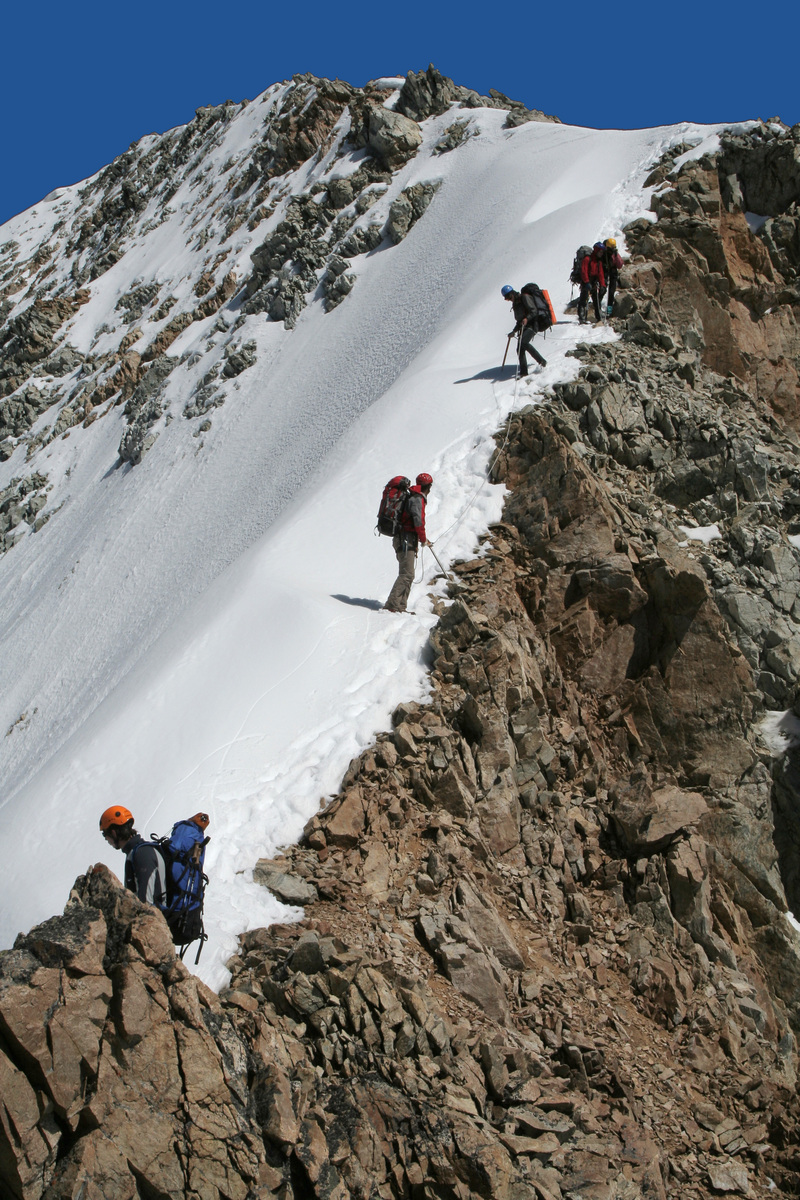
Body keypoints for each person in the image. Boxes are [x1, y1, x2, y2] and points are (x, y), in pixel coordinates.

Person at [99, 805, 167, 906]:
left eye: (105, 834)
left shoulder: (142, 854)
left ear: (114, 832)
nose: (106, 839)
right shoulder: (135, 852)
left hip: (158, 919)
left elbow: (146, 903)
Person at [384, 473, 432, 613]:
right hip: (405, 539)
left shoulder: (412, 496)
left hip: (403, 539)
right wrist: (423, 539)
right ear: (427, 486)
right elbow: (419, 521)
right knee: (407, 574)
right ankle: (392, 605)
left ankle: (400, 606)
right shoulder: (417, 499)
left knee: (408, 574)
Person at [501, 284, 547, 377]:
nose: (509, 300)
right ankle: (523, 372)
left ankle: (542, 361)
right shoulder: (515, 304)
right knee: (519, 349)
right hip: (524, 327)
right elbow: (519, 321)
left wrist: (527, 318)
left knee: (523, 343)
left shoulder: (524, 298)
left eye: (508, 297)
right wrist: (514, 331)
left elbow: (534, 311)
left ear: (512, 294)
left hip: (533, 324)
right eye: (507, 299)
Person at [579, 243, 606, 324]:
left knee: (596, 301)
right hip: (586, 282)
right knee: (584, 300)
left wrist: (603, 285)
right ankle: (582, 317)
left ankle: (598, 317)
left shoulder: (598, 261)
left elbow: (600, 274)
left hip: (593, 282)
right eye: (600, 252)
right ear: (597, 251)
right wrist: (587, 282)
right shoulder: (587, 259)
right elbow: (584, 272)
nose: (601, 254)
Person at [602, 237, 623, 316]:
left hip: (612, 273)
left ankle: (609, 311)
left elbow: (620, 265)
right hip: (606, 272)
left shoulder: (614, 254)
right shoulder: (603, 253)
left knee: (611, 292)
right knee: (603, 290)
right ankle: (601, 308)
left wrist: (616, 255)